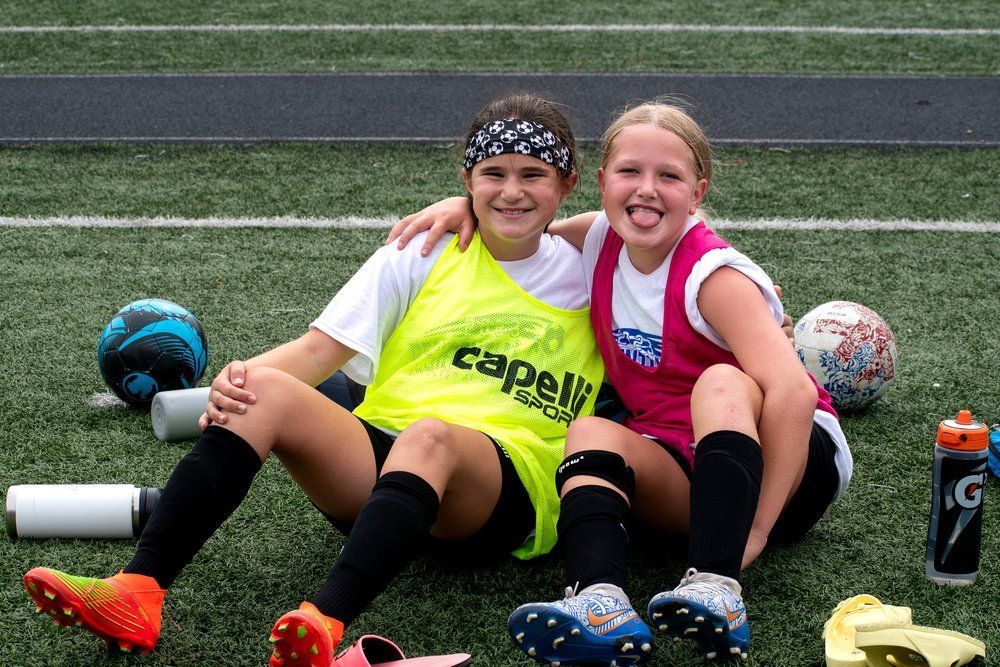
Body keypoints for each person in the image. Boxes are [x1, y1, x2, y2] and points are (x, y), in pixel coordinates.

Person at [22, 91, 606, 667]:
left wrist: (489, 209)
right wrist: (237, 382)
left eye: (534, 175)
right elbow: (319, 350)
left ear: (567, 184)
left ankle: (323, 623)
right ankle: (136, 591)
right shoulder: (425, 249)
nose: (511, 190)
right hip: (384, 465)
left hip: (501, 490)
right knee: (267, 390)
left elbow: (653, 211)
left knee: (431, 435)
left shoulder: (597, 261)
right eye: (492, 173)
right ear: (467, 178)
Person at [388, 100, 852, 664]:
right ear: (603, 183)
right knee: (589, 431)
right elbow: (521, 228)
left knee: (720, 381)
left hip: (790, 459)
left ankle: (718, 585)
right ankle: (598, 602)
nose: (647, 190)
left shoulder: (715, 276)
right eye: (630, 172)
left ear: (698, 192)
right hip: (683, 459)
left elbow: (794, 393)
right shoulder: (596, 238)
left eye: (670, 177)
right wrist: (465, 206)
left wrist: (755, 530)